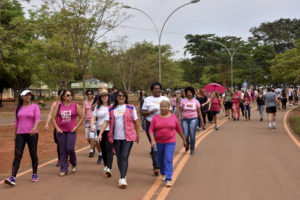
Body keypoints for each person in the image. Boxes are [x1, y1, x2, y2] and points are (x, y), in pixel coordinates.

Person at [98, 89, 140, 188]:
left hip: (128, 137)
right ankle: (122, 176)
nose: (121, 97)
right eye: (119, 95)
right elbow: (106, 122)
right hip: (115, 137)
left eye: (123, 96)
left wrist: (138, 134)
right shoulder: (111, 109)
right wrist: (100, 133)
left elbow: (136, 121)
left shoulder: (130, 107)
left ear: (126, 97)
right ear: (116, 97)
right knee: (119, 157)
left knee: (124, 156)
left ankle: (122, 178)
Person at [5, 90, 40, 186]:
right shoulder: (18, 108)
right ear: (22, 97)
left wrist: (34, 128)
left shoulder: (35, 107)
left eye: (29, 95)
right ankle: (12, 177)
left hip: (32, 134)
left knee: (33, 154)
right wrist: (14, 135)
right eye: (26, 95)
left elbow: (37, 119)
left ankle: (34, 173)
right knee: (17, 155)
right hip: (20, 134)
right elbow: (16, 122)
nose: (28, 96)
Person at [149, 100, 187, 187]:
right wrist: (152, 140)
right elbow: (151, 130)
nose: (163, 108)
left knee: (168, 159)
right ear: (160, 107)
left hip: (170, 141)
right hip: (159, 142)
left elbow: (179, 129)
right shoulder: (155, 117)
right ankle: (163, 173)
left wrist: (184, 140)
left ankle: (169, 178)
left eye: (165, 106)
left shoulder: (173, 117)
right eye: (162, 106)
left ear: (169, 107)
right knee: (160, 159)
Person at [142, 82, 172, 176]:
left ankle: (160, 163)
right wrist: (151, 112)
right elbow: (143, 112)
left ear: (161, 90)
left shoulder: (165, 99)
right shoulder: (147, 99)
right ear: (152, 90)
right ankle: (156, 166)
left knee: (161, 146)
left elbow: (170, 111)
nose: (157, 90)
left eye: (158, 88)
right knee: (154, 144)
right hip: (151, 125)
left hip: (163, 125)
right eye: (155, 88)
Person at [52, 90, 84, 176]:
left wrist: (76, 127)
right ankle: (63, 169)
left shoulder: (75, 105)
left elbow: (82, 117)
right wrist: (57, 128)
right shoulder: (59, 106)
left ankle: (73, 162)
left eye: (71, 95)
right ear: (63, 97)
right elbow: (53, 118)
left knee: (70, 148)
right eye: (68, 95)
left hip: (71, 131)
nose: (70, 96)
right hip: (61, 131)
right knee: (62, 150)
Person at [90, 89, 113, 176]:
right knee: (103, 149)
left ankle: (109, 168)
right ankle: (106, 165)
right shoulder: (98, 107)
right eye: (102, 96)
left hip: (109, 130)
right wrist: (92, 126)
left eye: (105, 95)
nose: (104, 97)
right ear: (100, 97)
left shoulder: (112, 106)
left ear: (108, 96)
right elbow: (93, 117)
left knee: (108, 148)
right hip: (99, 130)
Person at [178, 87, 204, 155]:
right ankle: (187, 144)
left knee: (192, 134)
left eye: (190, 92)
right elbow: (180, 111)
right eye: (188, 92)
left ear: (193, 93)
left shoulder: (196, 101)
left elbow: (199, 112)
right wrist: (179, 119)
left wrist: (202, 121)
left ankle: (192, 149)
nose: (189, 93)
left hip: (194, 119)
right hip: (184, 120)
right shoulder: (183, 101)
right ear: (186, 93)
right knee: (185, 135)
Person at [45, 89, 65, 167]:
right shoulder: (55, 104)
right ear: (59, 95)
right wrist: (47, 123)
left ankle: (64, 158)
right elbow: (50, 114)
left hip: (66, 127)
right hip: (57, 127)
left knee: (65, 144)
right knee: (59, 144)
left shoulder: (67, 104)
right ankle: (60, 158)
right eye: (62, 94)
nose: (63, 96)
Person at [82, 90, 97, 158]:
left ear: (92, 94)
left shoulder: (95, 102)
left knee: (91, 135)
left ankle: (91, 150)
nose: (89, 95)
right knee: (87, 137)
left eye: (90, 94)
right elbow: (83, 111)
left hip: (94, 121)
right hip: (87, 121)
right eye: (88, 94)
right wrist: (83, 117)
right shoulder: (84, 102)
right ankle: (93, 146)